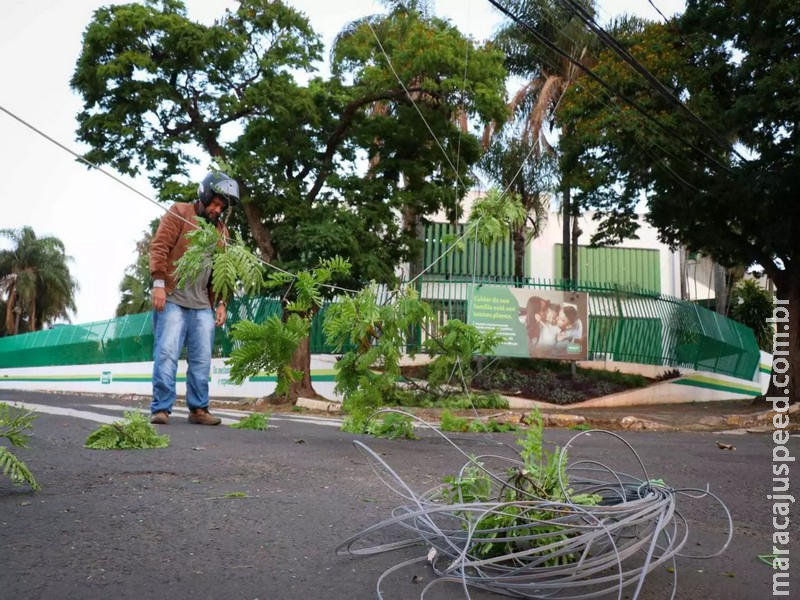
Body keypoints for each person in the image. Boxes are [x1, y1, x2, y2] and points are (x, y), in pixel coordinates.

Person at [148, 172, 240, 425]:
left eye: (222, 207)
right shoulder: (179, 212)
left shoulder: (222, 232)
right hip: (172, 299)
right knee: (167, 354)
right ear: (205, 195)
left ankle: (198, 409)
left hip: (202, 305)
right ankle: (161, 409)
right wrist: (158, 283)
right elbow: (159, 246)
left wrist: (222, 302)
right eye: (215, 203)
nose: (217, 209)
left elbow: (223, 269)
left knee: (201, 359)